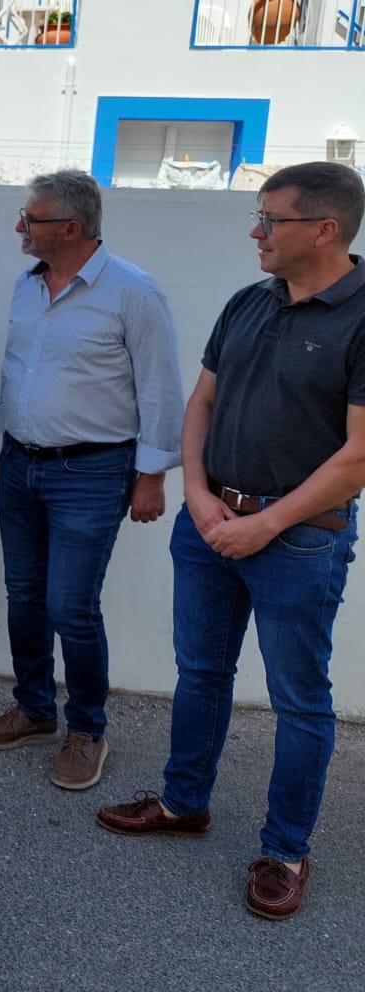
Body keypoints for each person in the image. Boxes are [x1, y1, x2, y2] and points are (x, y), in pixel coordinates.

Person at [98, 162, 365, 921]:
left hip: (299, 539)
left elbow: (358, 457)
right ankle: (184, 803)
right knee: (202, 673)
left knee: (299, 701)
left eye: (270, 219)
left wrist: (265, 523)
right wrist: (198, 493)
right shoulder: (249, 301)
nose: (255, 231)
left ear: (325, 229)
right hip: (211, 522)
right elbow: (202, 403)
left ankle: (286, 850)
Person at [0, 169, 185, 791]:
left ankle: (87, 727)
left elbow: (160, 389)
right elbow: (18, 371)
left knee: (71, 605)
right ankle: (34, 709)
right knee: (24, 595)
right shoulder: (26, 285)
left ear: (70, 228)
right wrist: (8, 440)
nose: (19, 226)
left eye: (30, 218)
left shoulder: (133, 292)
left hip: (93, 472)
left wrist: (151, 476)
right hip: (20, 464)